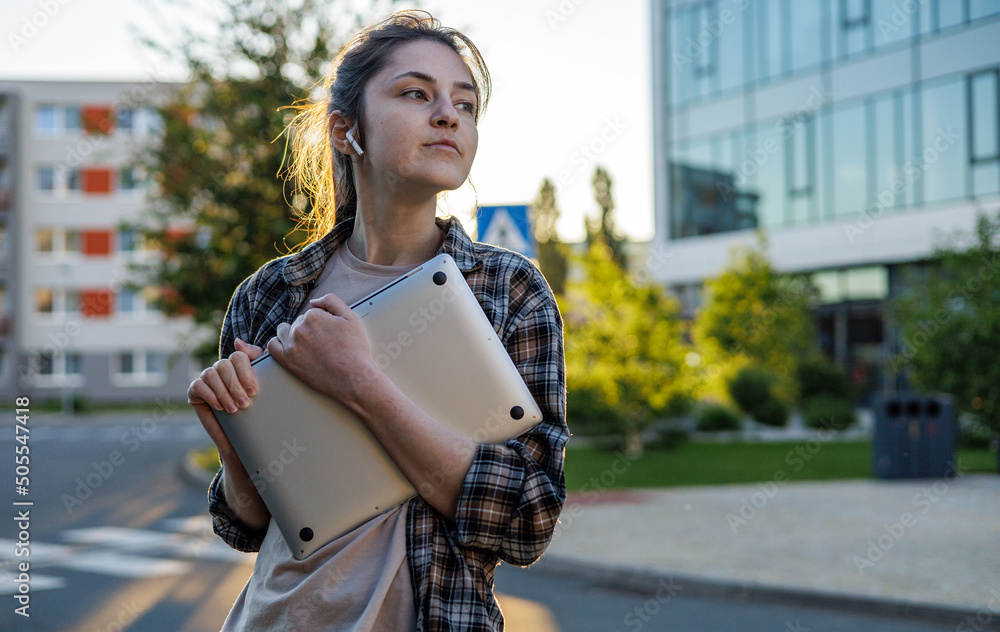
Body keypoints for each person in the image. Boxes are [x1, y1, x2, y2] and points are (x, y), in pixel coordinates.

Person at [185, 10, 569, 631]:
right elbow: (246, 526)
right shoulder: (271, 293)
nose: (448, 115)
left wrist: (359, 381)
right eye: (416, 93)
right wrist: (236, 451)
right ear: (346, 130)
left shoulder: (508, 290)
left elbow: (530, 521)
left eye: (465, 104)